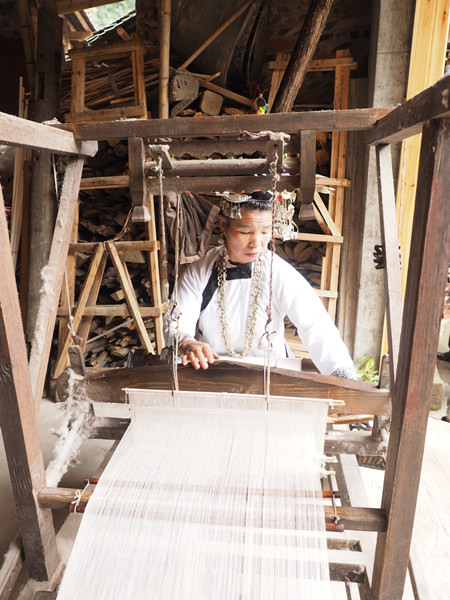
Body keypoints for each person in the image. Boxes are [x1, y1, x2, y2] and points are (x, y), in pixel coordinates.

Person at [164, 191, 357, 378]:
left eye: (265, 232)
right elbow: (177, 318)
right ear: (224, 225)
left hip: (271, 373)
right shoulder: (200, 272)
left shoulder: (279, 273)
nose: (256, 243)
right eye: (245, 232)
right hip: (212, 370)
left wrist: (344, 377)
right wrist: (186, 342)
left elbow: (316, 326)